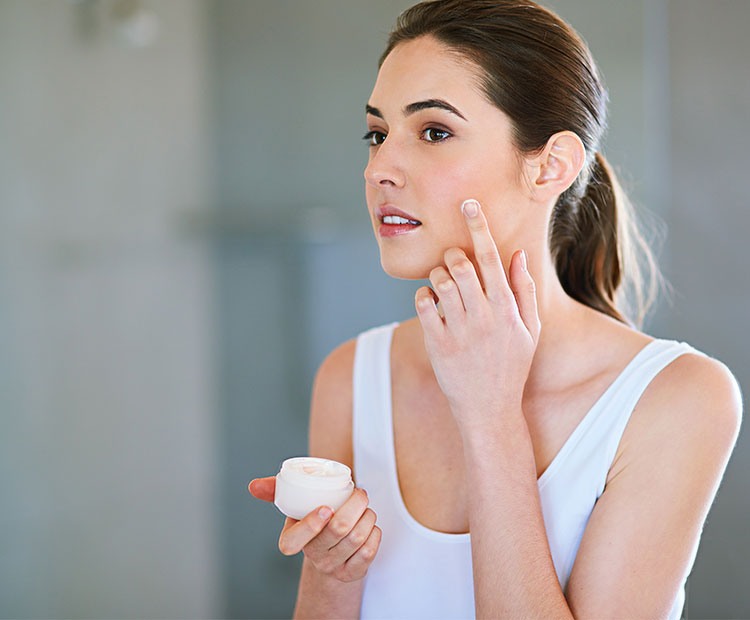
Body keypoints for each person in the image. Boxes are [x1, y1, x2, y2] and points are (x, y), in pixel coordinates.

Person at [249, 0, 743, 617]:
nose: (380, 169)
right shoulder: (350, 378)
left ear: (550, 165)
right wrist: (332, 574)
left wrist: (490, 417)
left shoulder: (679, 399)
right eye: (377, 134)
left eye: (433, 132)